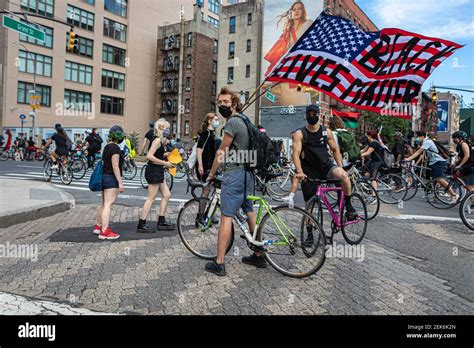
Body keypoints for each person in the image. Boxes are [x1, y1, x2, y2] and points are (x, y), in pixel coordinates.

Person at [206, 87, 257, 276]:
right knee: (249, 210)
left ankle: (219, 262)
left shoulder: (233, 124)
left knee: (226, 216)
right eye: (219, 102)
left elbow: (221, 152)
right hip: (247, 174)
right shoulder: (245, 120)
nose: (221, 105)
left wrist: (211, 173)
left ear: (234, 104)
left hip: (234, 174)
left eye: (226, 102)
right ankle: (259, 252)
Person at [292, 104, 358, 224]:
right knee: (309, 206)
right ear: (306, 116)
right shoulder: (300, 133)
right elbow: (295, 154)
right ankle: (309, 233)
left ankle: (348, 206)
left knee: (344, 176)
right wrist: (300, 171)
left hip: (326, 167)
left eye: (314, 114)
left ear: (318, 115)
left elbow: (335, 150)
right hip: (309, 171)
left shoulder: (326, 132)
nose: (311, 116)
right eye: (309, 115)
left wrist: (340, 166)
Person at [263, 1, 313, 106]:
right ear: (291, 12)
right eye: (294, 9)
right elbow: (280, 52)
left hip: (301, 71)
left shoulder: (308, 24)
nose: (296, 11)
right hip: (288, 71)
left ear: (303, 11)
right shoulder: (287, 32)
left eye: (299, 9)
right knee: (287, 102)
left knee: (303, 99)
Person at [137, 119, 176, 232]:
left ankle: (161, 220)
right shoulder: (158, 140)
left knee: (167, 194)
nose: (168, 130)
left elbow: (155, 153)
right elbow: (149, 156)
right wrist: (165, 163)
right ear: (160, 128)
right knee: (151, 198)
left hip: (157, 170)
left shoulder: (158, 140)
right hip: (154, 171)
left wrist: (164, 154)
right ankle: (142, 223)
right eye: (166, 128)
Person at [405, 131, 458, 203]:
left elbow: (419, 152)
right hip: (434, 162)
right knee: (434, 181)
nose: (416, 138)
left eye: (417, 137)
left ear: (422, 136)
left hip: (438, 162)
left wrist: (409, 158)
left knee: (439, 179)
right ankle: (436, 196)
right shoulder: (426, 142)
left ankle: (453, 194)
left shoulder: (427, 142)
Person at [94, 125, 125, 240]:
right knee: (108, 204)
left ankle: (99, 226)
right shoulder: (115, 148)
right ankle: (104, 231)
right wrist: (120, 183)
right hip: (111, 178)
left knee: (104, 203)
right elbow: (115, 166)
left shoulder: (106, 146)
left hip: (104, 177)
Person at [195, 113, 220, 225]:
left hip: (211, 166)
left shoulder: (212, 134)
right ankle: (200, 217)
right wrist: (200, 165)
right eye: (215, 119)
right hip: (205, 166)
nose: (217, 121)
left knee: (214, 190)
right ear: (209, 121)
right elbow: (199, 149)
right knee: (206, 190)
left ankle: (208, 214)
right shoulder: (206, 133)